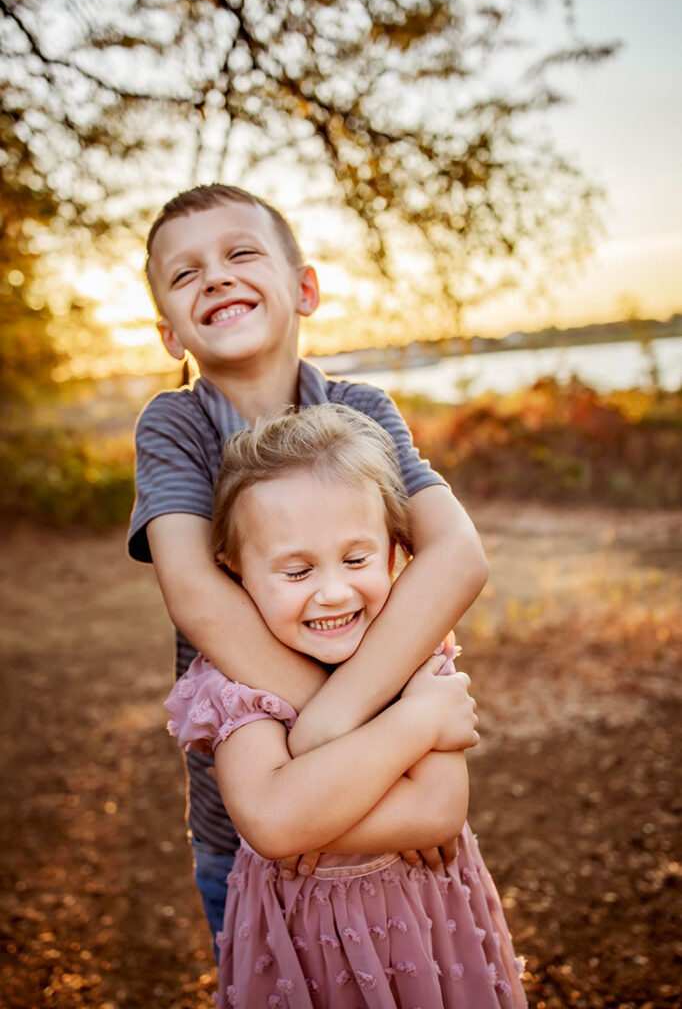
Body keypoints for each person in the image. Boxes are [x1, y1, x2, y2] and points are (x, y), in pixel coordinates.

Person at [128, 183, 489, 950]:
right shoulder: (177, 424)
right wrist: (349, 728)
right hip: (256, 826)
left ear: (305, 288)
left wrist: (342, 729)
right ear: (168, 331)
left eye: (240, 253)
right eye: (185, 273)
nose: (216, 277)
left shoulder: (363, 410)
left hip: (400, 803)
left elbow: (456, 552)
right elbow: (196, 593)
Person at [165, 404, 526, 1008]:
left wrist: (307, 799)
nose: (333, 591)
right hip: (303, 955)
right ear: (235, 573)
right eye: (297, 570)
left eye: (357, 560)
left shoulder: (411, 647)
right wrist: (414, 722)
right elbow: (272, 823)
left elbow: (437, 811)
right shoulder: (234, 684)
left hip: (429, 928)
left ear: (393, 553)